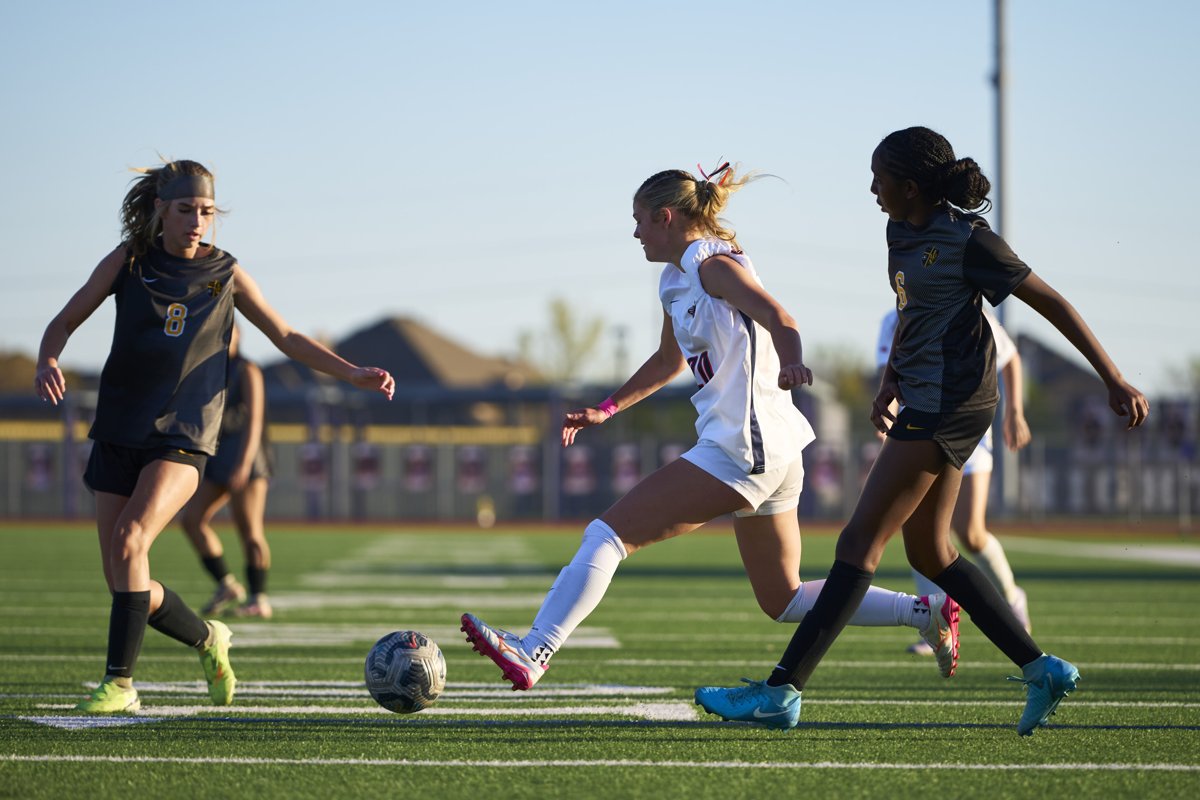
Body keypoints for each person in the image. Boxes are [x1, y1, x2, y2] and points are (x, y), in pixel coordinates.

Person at [695, 127, 1149, 736]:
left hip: (951, 401)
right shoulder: (898, 231)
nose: (872, 189)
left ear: (910, 187)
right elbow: (913, 314)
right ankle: (1042, 668)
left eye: (880, 179)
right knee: (930, 552)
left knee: (858, 546)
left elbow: (1053, 303)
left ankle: (781, 692)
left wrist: (1113, 378)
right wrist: (889, 379)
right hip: (927, 396)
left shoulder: (970, 240)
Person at [460, 162, 962, 690]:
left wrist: (791, 362)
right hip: (766, 451)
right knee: (783, 599)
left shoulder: (712, 265)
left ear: (666, 217)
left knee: (605, 537)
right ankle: (923, 612)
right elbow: (666, 362)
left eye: (638, 221)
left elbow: (780, 318)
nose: (634, 233)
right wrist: (605, 410)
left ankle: (535, 650)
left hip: (745, 446)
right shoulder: (675, 279)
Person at [34, 159, 395, 713]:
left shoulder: (225, 272)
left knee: (133, 540)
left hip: (182, 436)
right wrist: (47, 357)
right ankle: (210, 639)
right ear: (160, 210)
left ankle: (120, 685)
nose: (197, 221)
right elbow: (62, 321)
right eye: (186, 210)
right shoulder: (127, 262)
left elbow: (288, 335)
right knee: (125, 581)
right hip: (118, 430)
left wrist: (352, 373)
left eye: (206, 212)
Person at [875, 304, 1034, 653]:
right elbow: (890, 376)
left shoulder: (967, 307)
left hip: (969, 430)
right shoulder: (893, 321)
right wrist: (888, 421)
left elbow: (1010, 358)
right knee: (917, 527)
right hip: (922, 431)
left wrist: (1015, 413)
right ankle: (939, 623)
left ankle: (1012, 598)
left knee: (971, 533)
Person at [181, 323, 275, 619]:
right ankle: (226, 584)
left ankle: (259, 598)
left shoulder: (247, 369)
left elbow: (254, 421)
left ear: (238, 336)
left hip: (246, 457)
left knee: (249, 530)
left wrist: (244, 465)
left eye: (230, 331)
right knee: (192, 520)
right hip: (218, 455)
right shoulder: (207, 369)